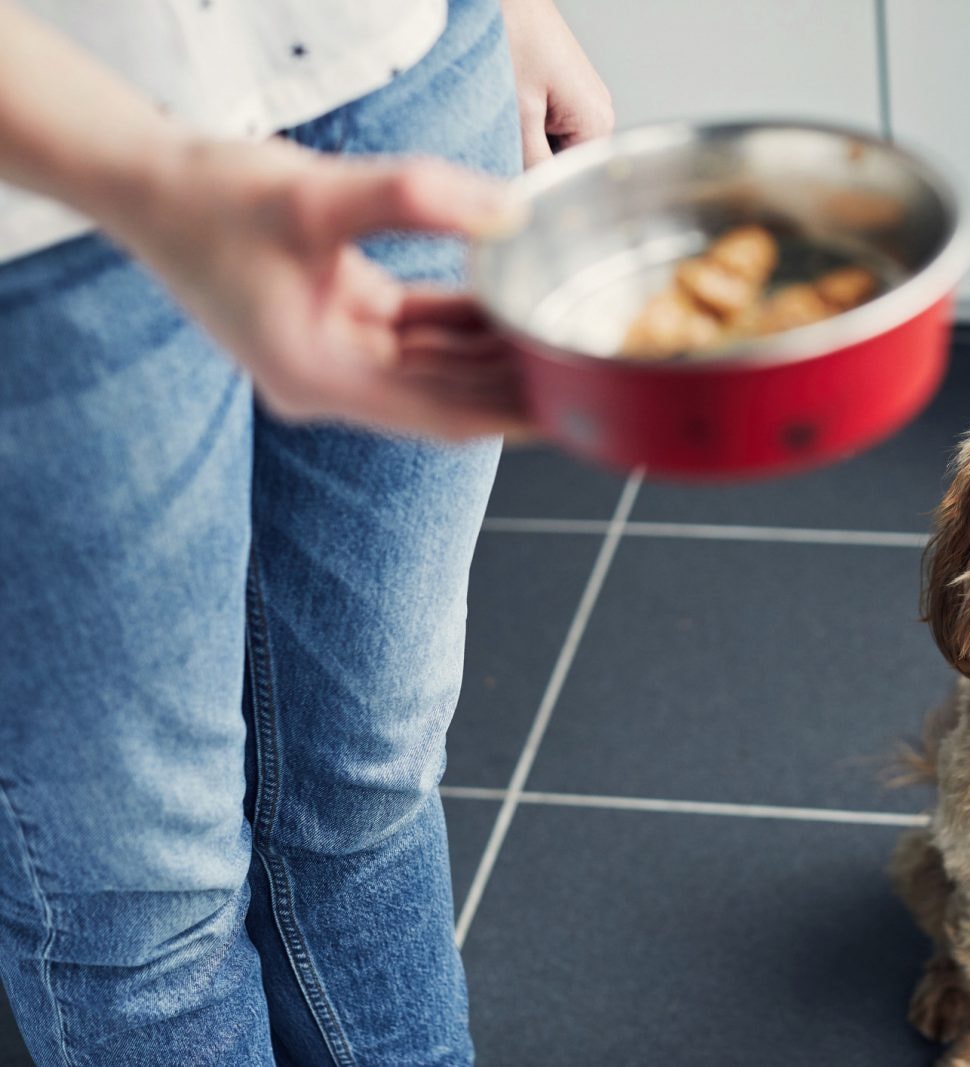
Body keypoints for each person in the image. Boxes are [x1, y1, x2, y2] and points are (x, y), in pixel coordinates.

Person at [0, 0, 612, 1061]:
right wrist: (153, 173)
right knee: (145, 902)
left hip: (397, 61)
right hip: (38, 216)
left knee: (370, 784)